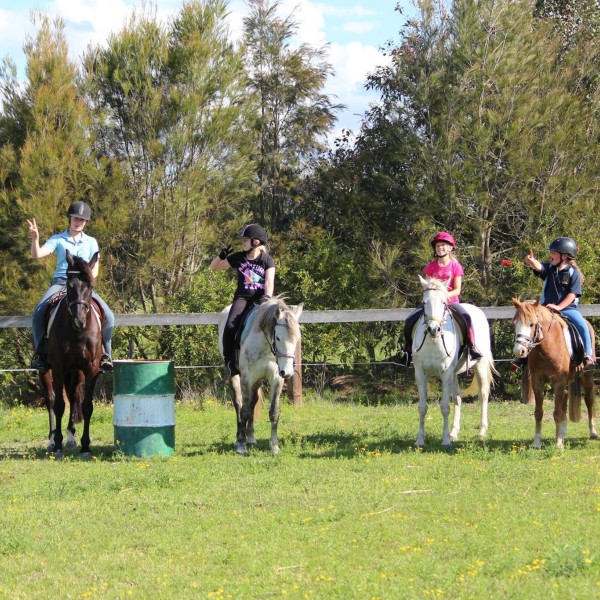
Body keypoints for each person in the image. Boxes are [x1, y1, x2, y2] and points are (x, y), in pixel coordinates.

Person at [28, 201, 114, 372]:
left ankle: (106, 356)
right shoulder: (58, 240)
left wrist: (86, 280)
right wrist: (35, 238)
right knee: (38, 312)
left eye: (82, 220)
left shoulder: (91, 242)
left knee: (109, 317)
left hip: (83, 286)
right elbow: (37, 255)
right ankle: (40, 354)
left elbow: (95, 268)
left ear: (86, 222)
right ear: (70, 218)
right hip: (61, 282)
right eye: (76, 218)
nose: (78, 222)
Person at [400, 231, 480, 365]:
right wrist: (434, 298)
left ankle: (472, 347)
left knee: (466, 317)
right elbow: (427, 287)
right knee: (410, 319)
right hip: (432, 304)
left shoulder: (455, 266)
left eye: (443, 245)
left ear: (450, 248)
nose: (440, 248)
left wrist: (443, 296)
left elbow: (457, 290)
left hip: (451, 302)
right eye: (437, 246)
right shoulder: (431, 267)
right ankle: (407, 351)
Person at [210, 224, 275, 376]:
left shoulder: (267, 260)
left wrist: (267, 298)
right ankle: (230, 361)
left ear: (256, 242)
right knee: (230, 326)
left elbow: (269, 282)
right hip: (242, 298)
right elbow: (214, 267)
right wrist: (221, 256)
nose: (242, 242)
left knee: (276, 326)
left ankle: (277, 360)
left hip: (261, 300)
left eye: (246, 240)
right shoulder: (238, 257)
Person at [523, 237, 594, 370]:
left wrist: (559, 307)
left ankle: (588, 357)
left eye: (554, 252)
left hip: (567, 309)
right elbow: (540, 267)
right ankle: (521, 356)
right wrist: (532, 262)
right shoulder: (550, 268)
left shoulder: (574, 273)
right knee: (526, 320)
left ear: (565, 256)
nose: (551, 255)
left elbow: (572, 295)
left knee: (582, 325)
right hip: (546, 309)